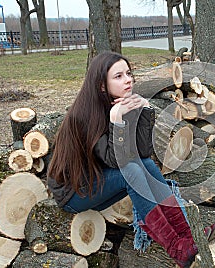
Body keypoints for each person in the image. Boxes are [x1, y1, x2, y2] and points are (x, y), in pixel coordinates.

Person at [47, 51, 198, 267]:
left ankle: (187, 237)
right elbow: (115, 160)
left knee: (145, 165)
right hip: (74, 193)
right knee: (132, 173)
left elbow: (142, 153)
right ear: (101, 85)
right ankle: (175, 247)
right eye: (118, 76)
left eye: (128, 73)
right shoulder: (85, 116)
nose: (127, 79)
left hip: (98, 178)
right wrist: (116, 121)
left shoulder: (119, 103)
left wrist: (145, 111)